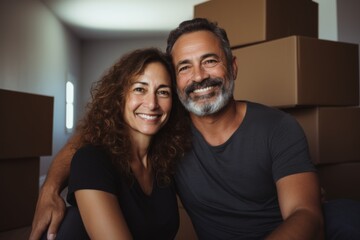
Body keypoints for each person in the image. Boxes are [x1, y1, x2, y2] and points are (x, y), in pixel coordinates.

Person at [30, 18, 327, 240]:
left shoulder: (276, 128)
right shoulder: (168, 126)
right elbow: (93, 140)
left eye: (210, 61)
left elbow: (305, 213)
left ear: (233, 67)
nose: (199, 76)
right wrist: (50, 188)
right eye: (184, 67)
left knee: (345, 217)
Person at [35, 47, 191, 240]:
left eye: (163, 92)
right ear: (119, 97)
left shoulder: (165, 162)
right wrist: (49, 187)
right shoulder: (92, 160)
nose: (152, 103)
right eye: (140, 89)